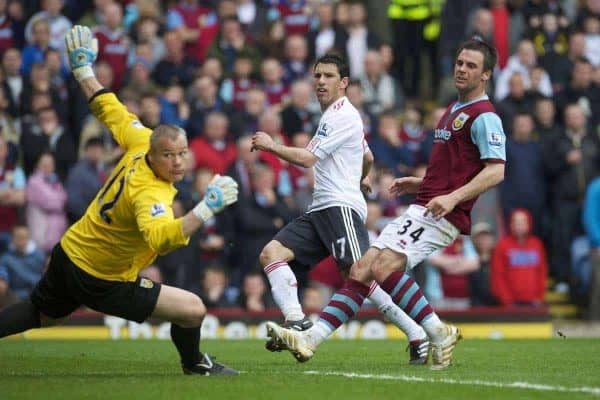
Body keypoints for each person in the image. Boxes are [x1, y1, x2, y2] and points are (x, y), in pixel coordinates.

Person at [0, 26, 240, 376]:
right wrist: (207, 208)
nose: (178, 163)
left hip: (70, 251)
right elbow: (161, 238)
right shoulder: (149, 192)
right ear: (155, 154)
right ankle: (194, 364)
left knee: (42, 313)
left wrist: (83, 70)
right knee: (193, 309)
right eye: (169, 156)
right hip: (102, 277)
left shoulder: (140, 138)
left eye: (183, 154)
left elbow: (108, 107)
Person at [266, 38, 506, 370]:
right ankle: (311, 340)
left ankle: (434, 331)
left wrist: (451, 197)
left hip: (444, 212)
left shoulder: (484, 116)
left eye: (471, 66)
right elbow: (459, 169)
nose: (461, 69)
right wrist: (422, 184)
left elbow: (495, 171)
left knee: (381, 267)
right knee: (363, 270)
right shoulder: (454, 110)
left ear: (486, 75)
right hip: (425, 204)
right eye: (459, 62)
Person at [251, 53, 430, 365]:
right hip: (323, 207)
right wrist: (360, 179)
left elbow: (308, 159)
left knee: (361, 275)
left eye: (329, 76)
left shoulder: (341, 115)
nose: (321, 81)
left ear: (344, 83)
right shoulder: (337, 116)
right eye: (318, 75)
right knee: (272, 254)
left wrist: (270, 145)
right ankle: (297, 320)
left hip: (339, 207)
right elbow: (369, 156)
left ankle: (418, 332)